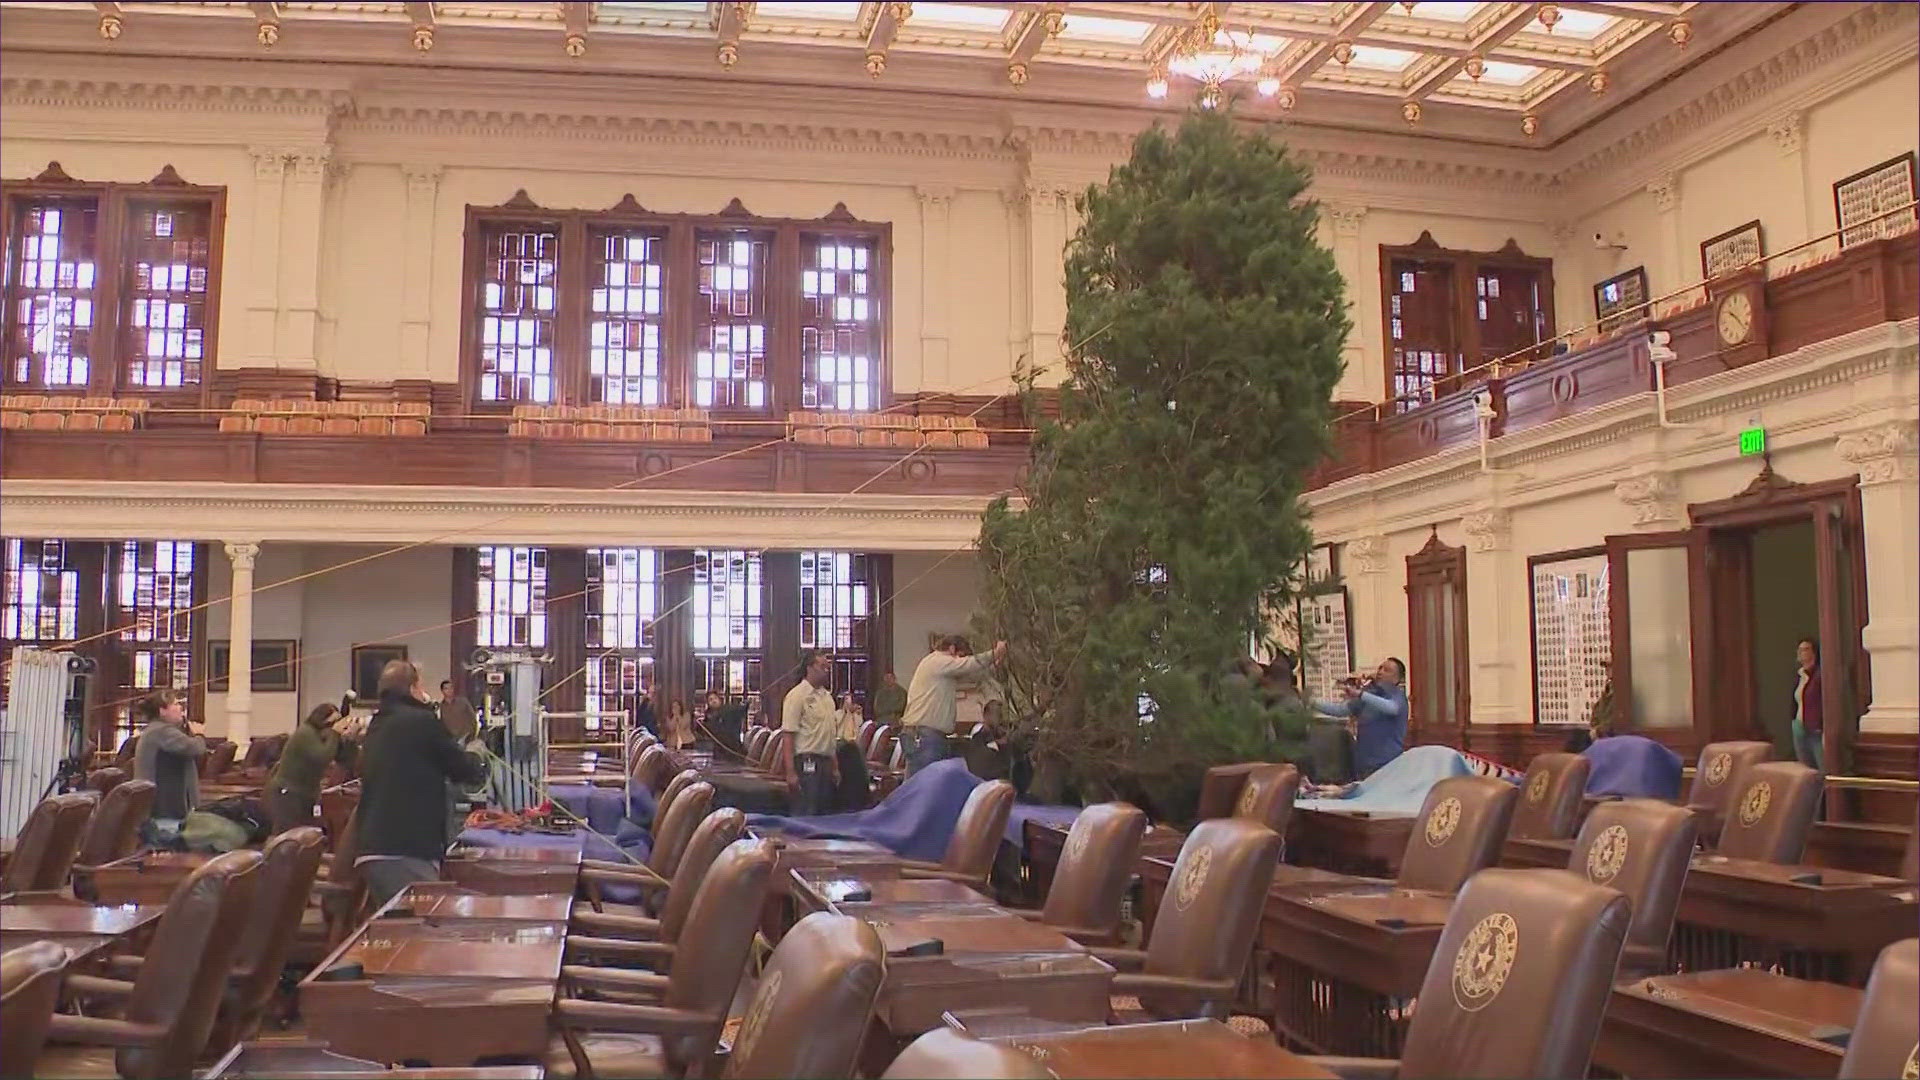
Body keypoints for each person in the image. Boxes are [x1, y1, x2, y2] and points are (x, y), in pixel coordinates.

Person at [356, 660, 489, 907]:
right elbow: (463, 770)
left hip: (372, 848)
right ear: (412, 688)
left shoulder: (378, 724)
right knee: (427, 929)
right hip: (405, 850)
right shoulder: (421, 721)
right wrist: (476, 751)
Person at [899, 636, 1006, 774]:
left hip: (923, 735)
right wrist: (995, 653)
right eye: (961, 657)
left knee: (920, 785)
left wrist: (993, 665)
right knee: (926, 785)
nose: (960, 662)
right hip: (925, 736)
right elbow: (969, 665)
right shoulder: (939, 661)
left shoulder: (938, 667)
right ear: (952, 649)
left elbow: (971, 674)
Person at [1312, 657, 1409, 780]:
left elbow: (1392, 708)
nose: (1380, 672)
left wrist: (1361, 694)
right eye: (1380, 668)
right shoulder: (1370, 695)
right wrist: (1311, 702)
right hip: (1364, 765)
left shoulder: (1397, 696)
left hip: (1388, 764)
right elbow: (1340, 710)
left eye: (1387, 670)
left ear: (1397, 679)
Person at [268, 701, 354, 833]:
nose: (332, 728)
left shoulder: (324, 737)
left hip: (306, 794)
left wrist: (350, 738)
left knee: (305, 835)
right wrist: (335, 734)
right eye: (330, 724)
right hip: (288, 793)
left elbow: (345, 759)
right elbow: (322, 758)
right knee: (287, 834)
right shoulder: (305, 733)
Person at [132, 689, 207, 837]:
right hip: (165, 809)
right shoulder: (161, 731)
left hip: (166, 807)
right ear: (163, 711)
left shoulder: (161, 730)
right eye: (176, 704)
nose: (181, 708)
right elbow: (195, 748)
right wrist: (199, 734)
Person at [780, 650, 847, 816]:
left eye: (828, 667)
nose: (826, 670)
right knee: (806, 811)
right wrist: (790, 772)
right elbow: (788, 736)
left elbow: (830, 734)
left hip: (825, 762)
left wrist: (835, 767)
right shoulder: (796, 696)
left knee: (824, 812)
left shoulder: (827, 697)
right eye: (822, 666)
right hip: (806, 763)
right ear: (809, 667)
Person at [1792, 637, 1824, 771]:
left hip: (1816, 729)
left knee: (1822, 766)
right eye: (1800, 650)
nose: (1802, 653)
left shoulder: (1820, 675)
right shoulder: (1799, 675)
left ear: (1814, 652)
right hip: (1799, 726)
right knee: (1805, 770)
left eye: (1805, 649)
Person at [703, 690, 747, 755]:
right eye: (710, 700)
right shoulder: (709, 716)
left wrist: (744, 704)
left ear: (719, 700)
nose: (713, 701)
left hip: (733, 749)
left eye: (715, 698)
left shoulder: (728, 710)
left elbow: (739, 710)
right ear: (708, 703)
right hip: (719, 751)